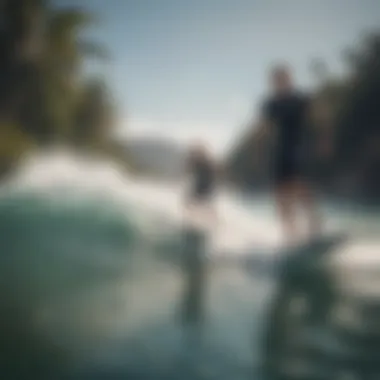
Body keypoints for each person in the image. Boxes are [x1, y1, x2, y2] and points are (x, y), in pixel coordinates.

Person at [257, 64, 323, 244]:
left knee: (300, 187)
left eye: (284, 78)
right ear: (273, 83)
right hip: (280, 151)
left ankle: (315, 228)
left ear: (289, 79)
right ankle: (290, 236)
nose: (280, 82)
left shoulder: (300, 99)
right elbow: (264, 128)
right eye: (277, 80)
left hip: (298, 148)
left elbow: (317, 118)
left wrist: (323, 140)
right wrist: (260, 151)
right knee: (280, 194)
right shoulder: (271, 104)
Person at [184, 141, 219, 226]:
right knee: (195, 202)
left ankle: (211, 219)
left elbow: (212, 177)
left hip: (204, 186)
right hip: (203, 186)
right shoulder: (199, 162)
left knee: (199, 202)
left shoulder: (204, 162)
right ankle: (194, 219)